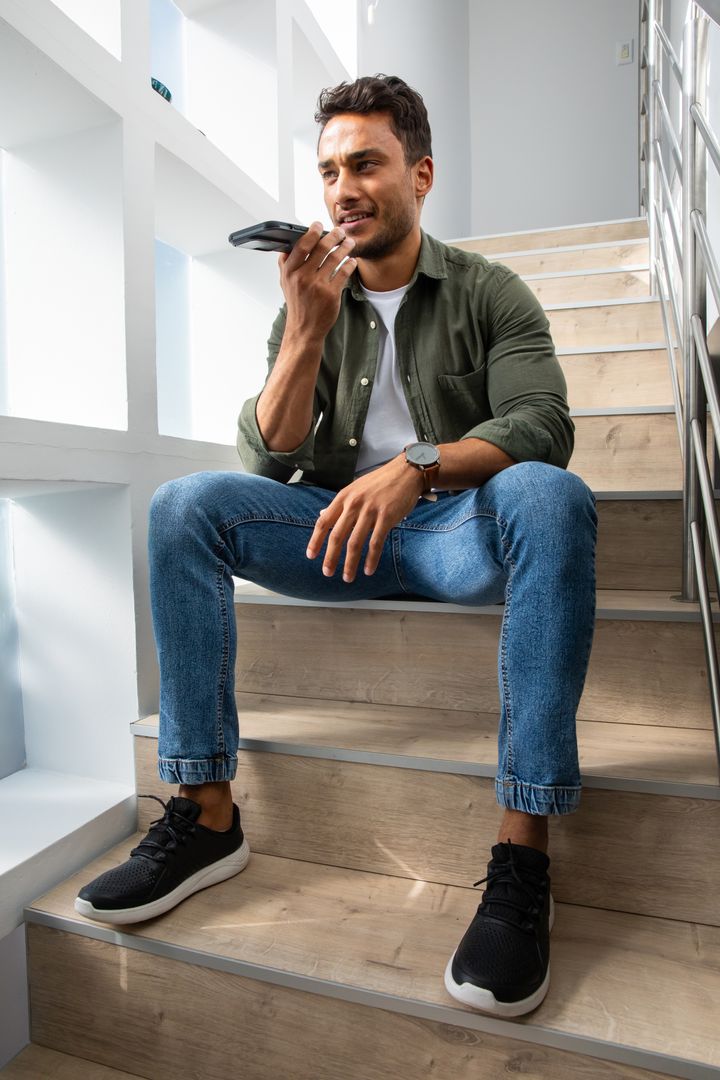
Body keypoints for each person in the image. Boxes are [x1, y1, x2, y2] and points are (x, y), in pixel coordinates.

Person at [75, 75, 597, 1019]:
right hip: (328, 531)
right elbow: (265, 455)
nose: (343, 188)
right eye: (328, 171)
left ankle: (521, 855)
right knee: (185, 504)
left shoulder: (490, 289)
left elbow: (543, 422)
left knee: (550, 494)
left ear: (420, 173)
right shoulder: (312, 292)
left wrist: (419, 466)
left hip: (450, 531)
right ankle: (205, 814)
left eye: (366, 162)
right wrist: (306, 330)